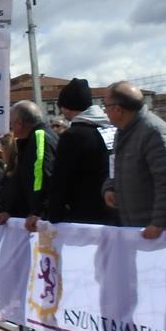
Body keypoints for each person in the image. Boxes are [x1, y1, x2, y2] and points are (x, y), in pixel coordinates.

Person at [101, 82, 166, 238]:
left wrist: (159, 223)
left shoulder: (154, 133)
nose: (104, 111)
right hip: (138, 228)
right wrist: (110, 187)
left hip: (162, 234)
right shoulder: (122, 133)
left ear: (118, 109)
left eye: (105, 106)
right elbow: (115, 166)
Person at [47, 78, 116, 225]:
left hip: (85, 214)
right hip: (115, 208)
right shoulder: (111, 128)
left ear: (67, 107)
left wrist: (54, 214)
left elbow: (61, 178)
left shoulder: (73, 136)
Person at [0, 101, 56, 226]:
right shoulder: (31, 140)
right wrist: (11, 211)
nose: (11, 128)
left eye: (11, 124)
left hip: (42, 218)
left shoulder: (40, 137)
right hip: (31, 214)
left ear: (19, 123)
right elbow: (22, 179)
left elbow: (41, 176)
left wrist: (39, 211)